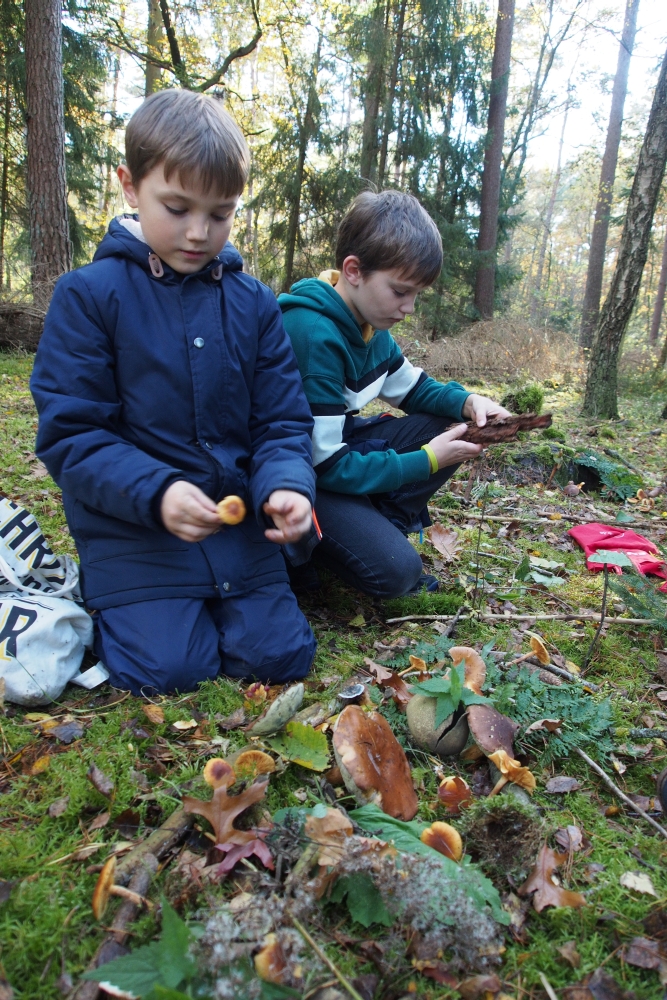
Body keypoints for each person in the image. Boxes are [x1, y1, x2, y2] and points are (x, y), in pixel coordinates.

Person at [30, 90, 317, 696]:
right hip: (133, 530)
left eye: (220, 214)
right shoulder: (87, 297)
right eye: (177, 207)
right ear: (130, 186)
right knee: (168, 669)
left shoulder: (255, 304)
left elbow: (282, 422)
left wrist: (287, 485)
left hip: (235, 529)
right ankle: (129, 609)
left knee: (282, 655)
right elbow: (73, 435)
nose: (197, 232)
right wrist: (157, 492)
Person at [279, 190, 510, 599]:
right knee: (398, 573)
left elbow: (414, 389)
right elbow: (325, 464)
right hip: (303, 479)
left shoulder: (372, 325)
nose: (409, 308)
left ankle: (375, 527)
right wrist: (427, 461)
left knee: (457, 425)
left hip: (334, 454)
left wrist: (469, 403)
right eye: (401, 291)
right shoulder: (314, 334)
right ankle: (311, 551)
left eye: (416, 294)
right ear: (353, 270)